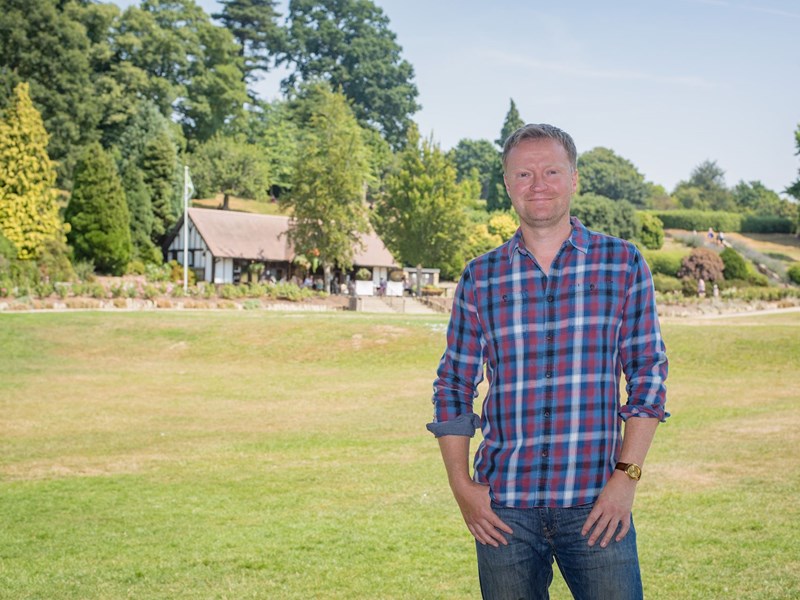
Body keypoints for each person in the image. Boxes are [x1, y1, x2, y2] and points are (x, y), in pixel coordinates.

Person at [427, 123, 669, 600]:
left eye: (551, 171)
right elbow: (453, 384)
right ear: (507, 185)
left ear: (574, 179)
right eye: (523, 174)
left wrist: (627, 478)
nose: (538, 184)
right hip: (504, 511)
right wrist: (461, 485)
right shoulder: (480, 276)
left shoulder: (623, 264)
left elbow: (647, 376)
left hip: (598, 503)